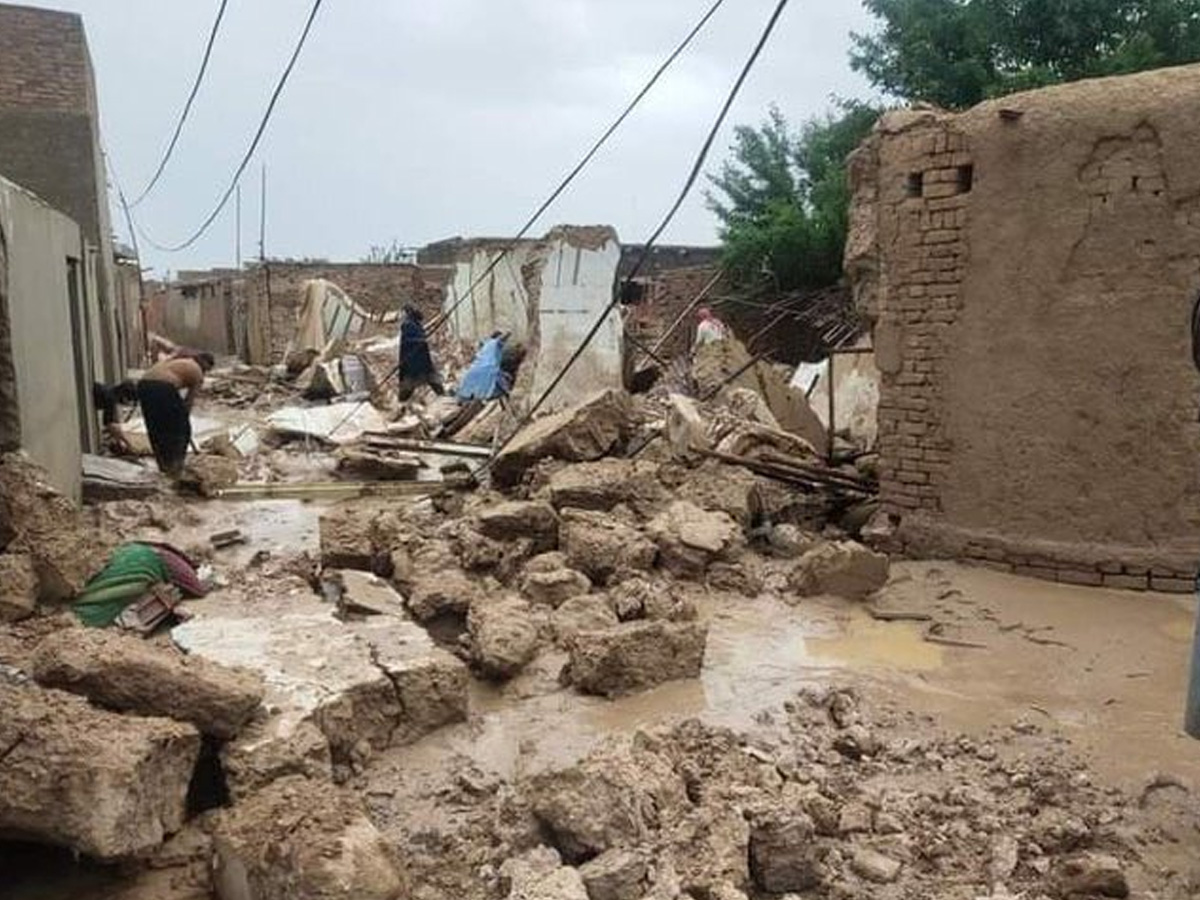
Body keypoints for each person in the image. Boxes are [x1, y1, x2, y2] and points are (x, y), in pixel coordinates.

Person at [136, 352, 213, 476]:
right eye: (207, 370)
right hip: (162, 387)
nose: (205, 373)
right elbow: (189, 402)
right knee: (179, 431)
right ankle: (175, 466)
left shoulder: (177, 362)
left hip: (143, 386)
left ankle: (163, 465)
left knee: (156, 428)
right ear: (205, 364)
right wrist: (183, 422)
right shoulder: (197, 372)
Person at [397, 305, 444, 400]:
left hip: (412, 363)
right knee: (433, 381)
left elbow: (411, 341)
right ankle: (443, 396)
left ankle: (401, 404)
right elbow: (412, 341)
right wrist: (421, 340)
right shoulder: (415, 324)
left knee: (408, 386)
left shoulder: (408, 325)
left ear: (406, 313)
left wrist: (420, 341)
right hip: (421, 361)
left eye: (402, 313)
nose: (400, 316)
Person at [92, 380, 139, 454]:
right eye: (129, 400)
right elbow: (110, 425)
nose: (127, 404)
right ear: (125, 397)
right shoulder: (110, 399)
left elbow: (113, 421)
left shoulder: (111, 392)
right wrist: (126, 441)